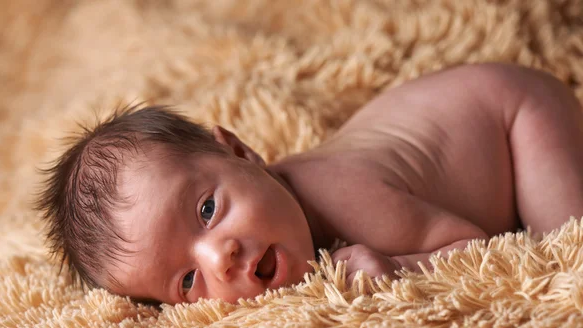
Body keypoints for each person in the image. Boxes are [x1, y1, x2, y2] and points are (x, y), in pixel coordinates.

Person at [36, 62, 583, 305]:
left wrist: (400, 266)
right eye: (185, 281)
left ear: (241, 152)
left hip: (513, 112)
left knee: (566, 245)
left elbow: (482, 250)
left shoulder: (350, 198)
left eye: (206, 211)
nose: (219, 259)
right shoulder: (275, 220)